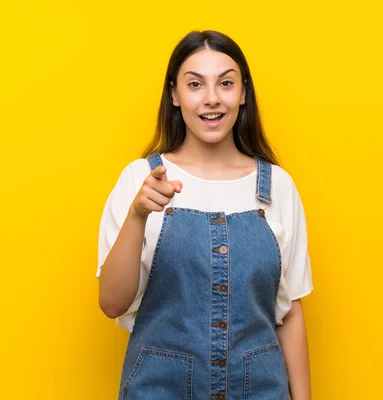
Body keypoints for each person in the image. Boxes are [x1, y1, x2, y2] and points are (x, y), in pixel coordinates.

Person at [97, 30, 314, 400]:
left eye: (226, 83)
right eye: (195, 84)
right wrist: (138, 215)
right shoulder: (139, 179)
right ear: (175, 95)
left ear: (243, 93)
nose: (212, 99)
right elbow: (111, 303)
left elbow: (290, 311)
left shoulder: (277, 186)